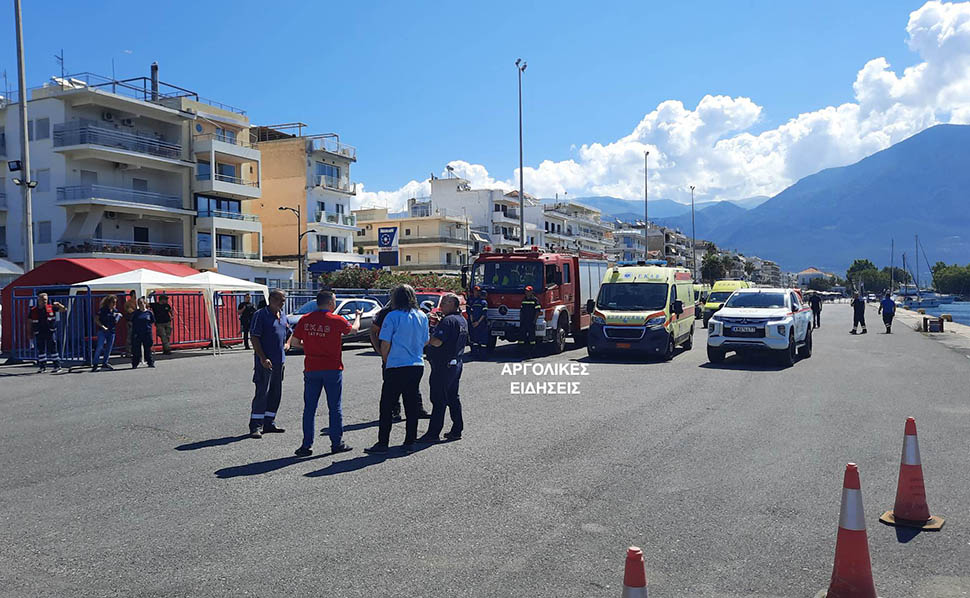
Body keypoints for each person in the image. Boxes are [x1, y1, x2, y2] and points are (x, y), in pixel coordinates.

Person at [292, 291, 360, 457]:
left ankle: (306, 445)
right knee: (334, 407)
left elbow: (294, 342)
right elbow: (354, 330)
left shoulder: (305, 319)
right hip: (332, 367)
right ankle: (336, 443)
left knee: (309, 408)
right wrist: (358, 316)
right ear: (330, 303)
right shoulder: (336, 320)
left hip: (311, 367)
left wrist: (309, 347)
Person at [365, 285, 429, 454]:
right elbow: (425, 341)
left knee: (387, 405)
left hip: (396, 364)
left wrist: (385, 359)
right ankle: (410, 441)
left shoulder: (392, 316)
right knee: (411, 404)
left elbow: (385, 342)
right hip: (416, 364)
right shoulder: (422, 316)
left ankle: (383, 443)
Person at [369, 294, 432, 421]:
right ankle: (394, 411)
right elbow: (373, 331)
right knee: (391, 388)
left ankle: (418, 410)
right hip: (391, 357)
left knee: (412, 389)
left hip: (411, 358)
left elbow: (424, 339)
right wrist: (380, 351)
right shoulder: (387, 313)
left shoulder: (417, 313)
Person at [419, 294, 468, 443]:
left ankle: (433, 433)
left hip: (444, 365)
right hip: (456, 363)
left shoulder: (447, 321)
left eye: (446, 302)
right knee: (453, 397)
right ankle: (457, 429)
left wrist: (426, 338)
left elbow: (437, 342)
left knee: (439, 399)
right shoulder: (461, 320)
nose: (442, 305)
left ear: (454, 304)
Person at [248, 289, 291, 438]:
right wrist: (262, 357)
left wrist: (287, 343)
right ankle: (255, 425)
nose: (283, 303)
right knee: (262, 392)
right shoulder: (260, 315)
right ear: (272, 299)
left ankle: (269, 422)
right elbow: (254, 337)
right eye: (280, 300)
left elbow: (289, 334)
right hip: (265, 362)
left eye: (284, 300)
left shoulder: (283, 316)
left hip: (279, 362)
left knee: (275, 392)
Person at [29, 292, 66, 373]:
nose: (44, 301)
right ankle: (42, 367)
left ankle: (57, 366)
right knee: (41, 350)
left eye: (46, 299)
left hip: (50, 331)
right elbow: (30, 322)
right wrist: (30, 334)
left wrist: (59, 305)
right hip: (39, 332)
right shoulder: (33, 310)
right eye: (43, 300)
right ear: (39, 300)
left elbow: (64, 310)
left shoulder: (51, 307)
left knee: (53, 349)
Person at [92, 295, 122, 372]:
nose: (114, 304)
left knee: (109, 347)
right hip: (102, 331)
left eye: (115, 302)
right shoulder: (103, 310)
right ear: (109, 302)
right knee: (100, 347)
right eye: (113, 302)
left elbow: (115, 322)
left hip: (112, 331)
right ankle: (95, 363)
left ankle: (105, 362)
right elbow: (96, 319)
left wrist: (117, 317)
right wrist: (103, 326)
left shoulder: (115, 311)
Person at [130, 298, 156, 368]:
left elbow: (152, 321)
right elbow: (131, 321)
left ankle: (150, 362)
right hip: (137, 333)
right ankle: (135, 363)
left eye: (142, 303)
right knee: (136, 349)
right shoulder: (135, 313)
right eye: (139, 303)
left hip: (147, 333)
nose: (141, 304)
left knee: (148, 348)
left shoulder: (149, 313)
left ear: (145, 303)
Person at [467, 286, 490, 355]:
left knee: (477, 339)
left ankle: (477, 353)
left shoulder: (476, 301)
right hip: (478, 322)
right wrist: (474, 322)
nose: (477, 292)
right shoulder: (473, 300)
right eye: (476, 291)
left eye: (478, 291)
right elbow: (483, 313)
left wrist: (474, 322)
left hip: (476, 322)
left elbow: (471, 311)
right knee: (476, 338)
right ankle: (477, 353)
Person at [519, 285, 541, 351]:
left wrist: (534, 320)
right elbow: (521, 310)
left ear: (531, 292)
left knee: (532, 336)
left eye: (528, 291)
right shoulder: (524, 299)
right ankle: (521, 349)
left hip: (531, 321)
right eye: (526, 291)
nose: (526, 292)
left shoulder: (535, 300)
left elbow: (537, 311)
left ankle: (532, 349)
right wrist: (521, 319)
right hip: (524, 321)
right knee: (522, 335)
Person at [122, 290, 137, 357]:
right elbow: (130, 311)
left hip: (137, 321)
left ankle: (136, 351)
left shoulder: (138, 302)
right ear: (133, 294)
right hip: (131, 321)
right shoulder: (128, 303)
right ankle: (129, 352)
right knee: (130, 337)